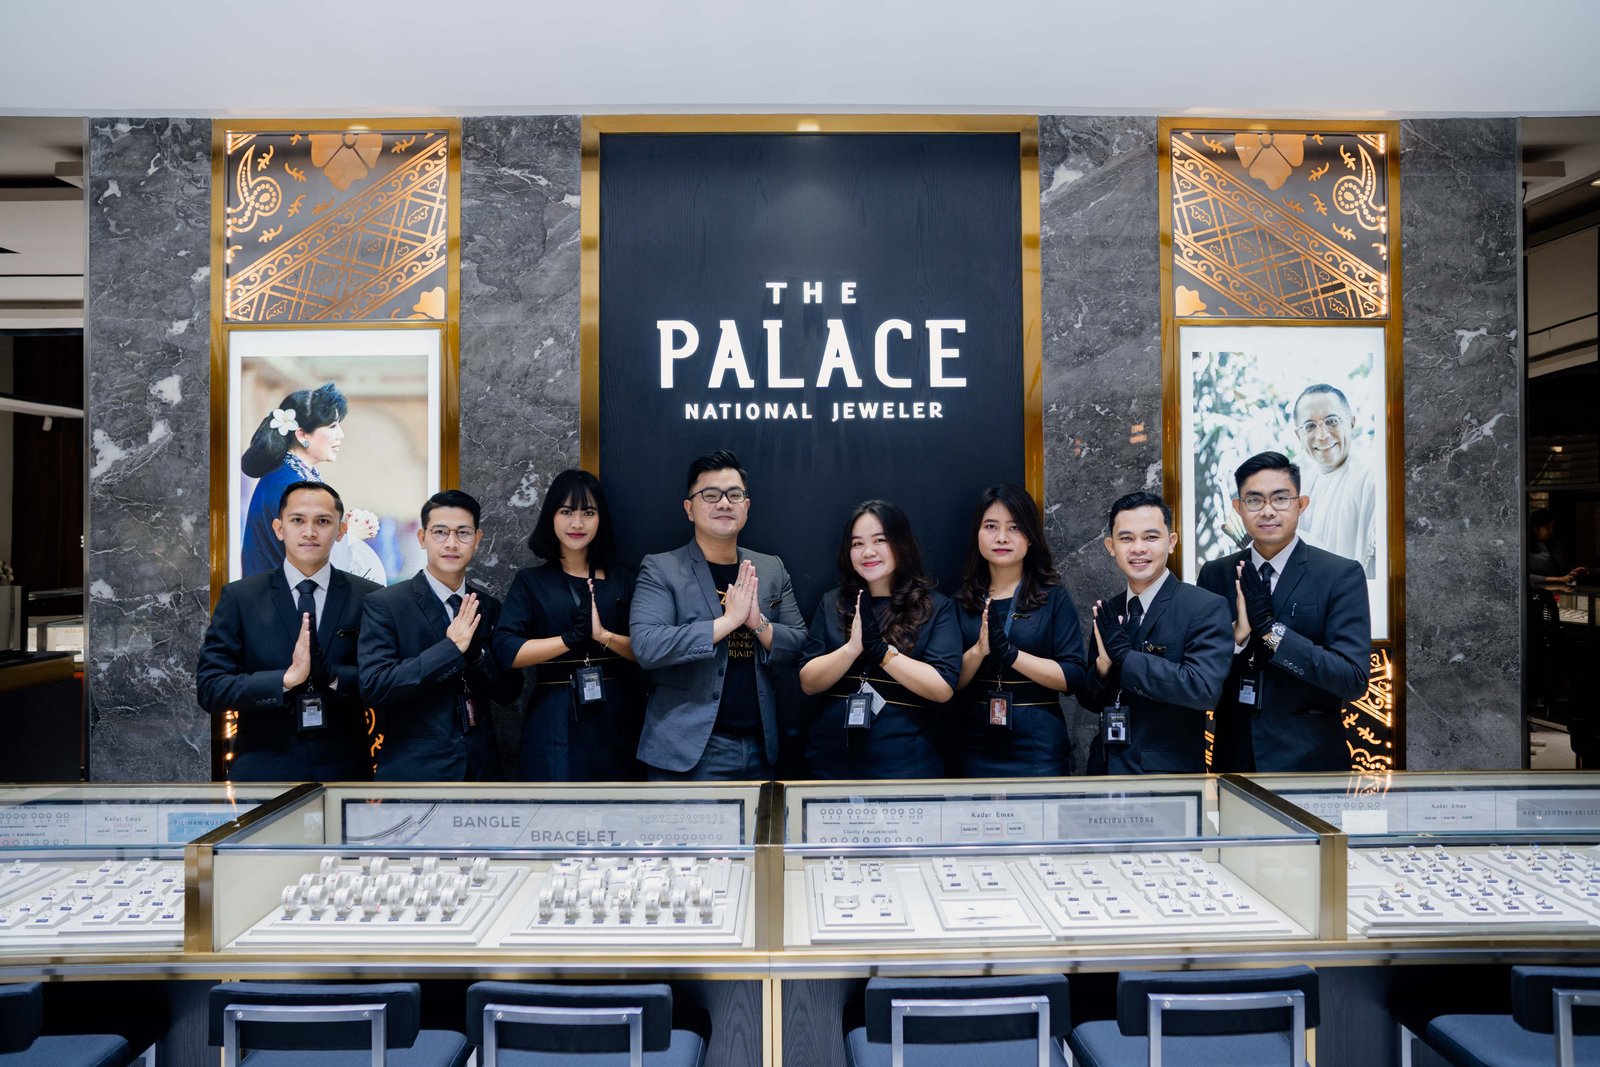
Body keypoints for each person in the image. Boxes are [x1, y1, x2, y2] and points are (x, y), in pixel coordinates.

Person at [630, 450, 807, 780]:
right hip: (687, 750)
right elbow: (647, 645)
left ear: (746, 506)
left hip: (761, 747)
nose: (724, 503)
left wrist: (758, 624)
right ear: (689, 509)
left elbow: (799, 643)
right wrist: (728, 622)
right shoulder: (661, 568)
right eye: (710, 495)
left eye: (734, 495)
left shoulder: (770, 568)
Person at [1199, 451, 1372, 772]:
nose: (1268, 510)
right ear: (1238, 507)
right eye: (1254, 500)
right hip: (1235, 758)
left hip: (1310, 761)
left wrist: (1272, 632)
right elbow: (1202, 671)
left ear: (1301, 504)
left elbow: (1352, 679)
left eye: (1280, 499)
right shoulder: (1216, 574)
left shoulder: (1339, 575)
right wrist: (1236, 639)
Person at [197, 481, 379, 781]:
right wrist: (284, 680)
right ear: (279, 528)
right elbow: (211, 689)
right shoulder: (241, 598)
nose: (309, 531)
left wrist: (333, 677)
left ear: (341, 531)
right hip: (263, 772)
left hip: (345, 773)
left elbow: (384, 682)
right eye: (297, 520)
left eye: (323, 521)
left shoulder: (370, 597)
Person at [358, 490, 521, 781]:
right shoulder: (386, 604)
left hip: (482, 771)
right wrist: (450, 649)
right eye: (440, 532)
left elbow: (509, 691)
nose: (451, 543)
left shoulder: (488, 607)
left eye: (463, 533)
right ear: (422, 538)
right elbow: (375, 686)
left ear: (477, 539)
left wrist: (476, 655)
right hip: (416, 772)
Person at [493, 470, 645, 781]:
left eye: (588, 512)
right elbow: (507, 650)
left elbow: (648, 650)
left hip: (618, 709)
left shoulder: (624, 580)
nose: (577, 523)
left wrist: (603, 636)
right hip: (554, 711)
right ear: (551, 516)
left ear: (600, 519)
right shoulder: (531, 581)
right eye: (566, 512)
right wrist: (568, 639)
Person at [799, 500, 962, 779]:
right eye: (857, 543)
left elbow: (942, 687)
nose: (868, 552)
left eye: (880, 540)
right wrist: (851, 649)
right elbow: (808, 682)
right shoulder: (833, 602)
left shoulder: (935, 606)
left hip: (907, 760)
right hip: (833, 760)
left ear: (901, 543)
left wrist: (882, 652)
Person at [1078, 491, 1232, 775]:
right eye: (1126, 539)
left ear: (1171, 542)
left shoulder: (1204, 607)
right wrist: (1102, 667)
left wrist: (1126, 657)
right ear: (1111, 546)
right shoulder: (1111, 609)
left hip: (1167, 779)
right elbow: (1090, 701)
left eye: (1150, 537)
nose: (1138, 548)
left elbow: (1203, 690)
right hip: (1105, 771)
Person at [950, 484, 1088, 777]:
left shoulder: (1053, 597)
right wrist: (978, 651)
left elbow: (1074, 676)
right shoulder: (962, 600)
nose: (1002, 537)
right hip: (976, 740)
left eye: (1014, 527)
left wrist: (1011, 654)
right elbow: (949, 682)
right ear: (977, 534)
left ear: (1030, 537)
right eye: (991, 526)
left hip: (1039, 743)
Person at [239, 382, 386, 583]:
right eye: (333, 426)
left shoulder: (289, 475)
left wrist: (344, 528)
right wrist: (351, 535)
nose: (340, 435)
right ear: (302, 435)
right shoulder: (290, 486)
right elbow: (312, 565)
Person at [1292, 383, 1378, 578]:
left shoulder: (1372, 478)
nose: (1322, 436)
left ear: (1351, 423)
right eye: (1310, 426)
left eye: (1332, 421)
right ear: (1299, 435)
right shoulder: (1299, 482)